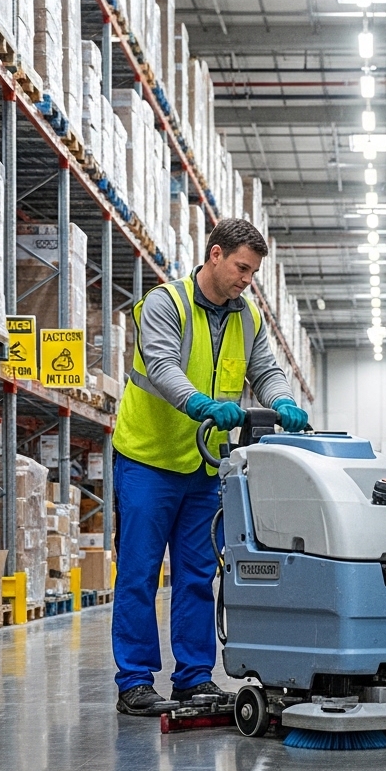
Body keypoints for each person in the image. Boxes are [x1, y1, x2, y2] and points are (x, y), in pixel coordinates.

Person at [110, 217, 308, 715]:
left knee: (199, 575)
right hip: (148, 460)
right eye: (242, 267)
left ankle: (194, 678)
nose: (247, 279)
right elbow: (160, 365)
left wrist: (283, 401)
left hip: (204, 467)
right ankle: (134, 681)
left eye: (253, 272)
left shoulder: (249, 317)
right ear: (215, 255)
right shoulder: (165, 303)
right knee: (139, 572)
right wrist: (200, 404)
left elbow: (265, 370)